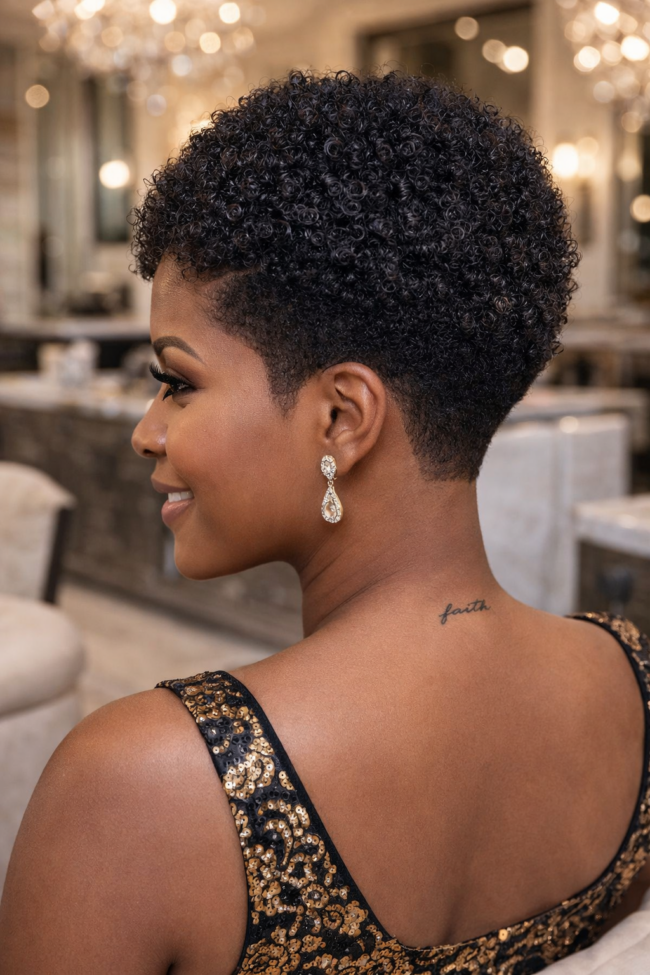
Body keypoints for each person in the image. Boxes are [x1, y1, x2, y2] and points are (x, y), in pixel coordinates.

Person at [1, 69, 649, 975]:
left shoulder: (145, 788)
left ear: (342, 417)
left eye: (177, 382)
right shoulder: (631, 685)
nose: (147, 430)